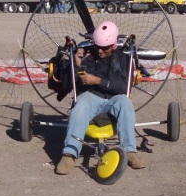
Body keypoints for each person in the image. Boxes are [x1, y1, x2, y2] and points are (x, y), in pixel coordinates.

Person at [55, 21, 145, 175]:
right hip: (92, 97)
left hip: (114, 98)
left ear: (114, 45)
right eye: (97, 46)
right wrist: (76, 65)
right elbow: (67, 85)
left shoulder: (124, 59)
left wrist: (97, 81)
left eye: (105, 48)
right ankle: (69, 154)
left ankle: (130, 152)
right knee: (80, 105)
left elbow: (124, 87)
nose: (100, 51)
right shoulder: (86, 55)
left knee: (126, 102)